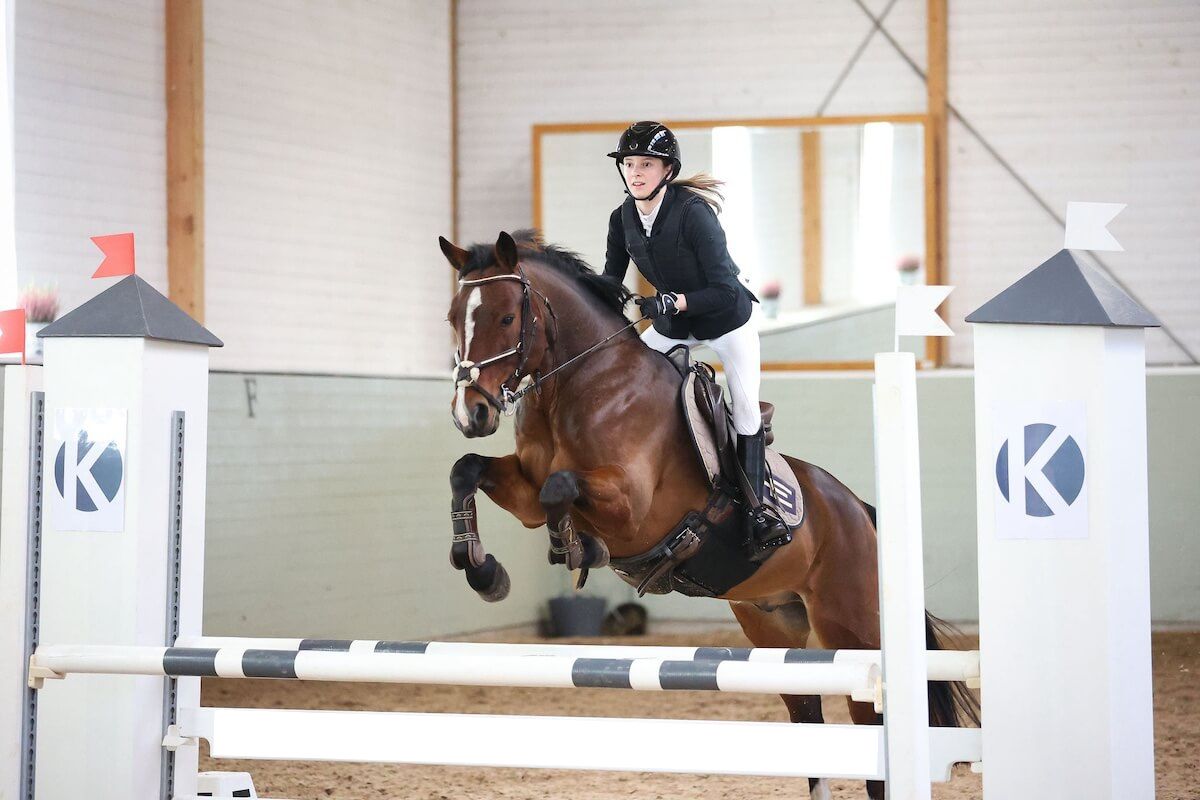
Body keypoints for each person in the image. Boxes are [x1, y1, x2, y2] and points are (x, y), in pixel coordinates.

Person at [602, 121, 790, 561]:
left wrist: (670, 302)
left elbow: (724, 289)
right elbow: (610, 279)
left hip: (726, 322)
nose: (635, 172)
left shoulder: (693, 213)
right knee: (625, 376)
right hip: (674, 327)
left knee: (744, 406)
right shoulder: (622, 218)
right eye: (629, 165)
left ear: (667, 169)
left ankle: (759, 510)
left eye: (645, 164)